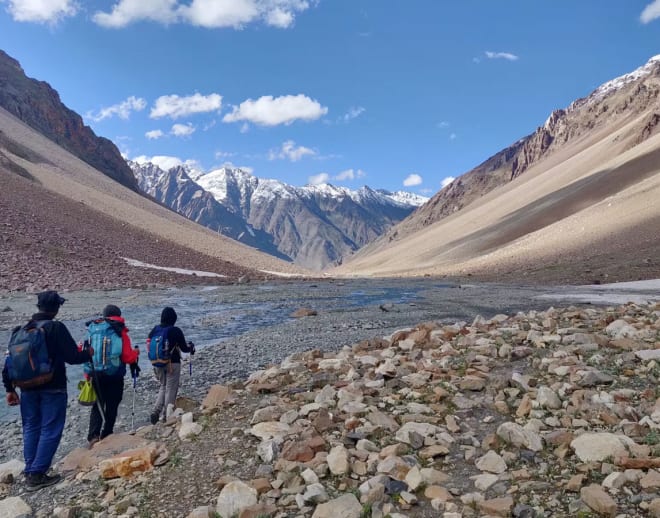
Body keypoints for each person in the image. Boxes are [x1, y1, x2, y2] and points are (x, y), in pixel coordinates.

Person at [2, 291, 92, 491]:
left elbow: (9, 363)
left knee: (31, 427)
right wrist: (88, 353)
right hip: (53, 387)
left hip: (26, 389)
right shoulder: (55, 328)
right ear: (56, 308)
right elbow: (73, 357)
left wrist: (9, 389)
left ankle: (30, 468)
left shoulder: (21, 329)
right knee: (51, 429)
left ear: (38, 306)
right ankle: (37, 474)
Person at [85, 304, 140, 448]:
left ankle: (93, 436)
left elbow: (85, 351)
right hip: (115, 374)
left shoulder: (93, 329)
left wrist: (87, 373)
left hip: (95, 373)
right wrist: (136, 353)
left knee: (97, 404)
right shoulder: (119, 330)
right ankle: (107, 433)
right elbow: (128, 357)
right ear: (119, 315)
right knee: (112, 404)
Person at [148, 307, 194, 424]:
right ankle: (166, 416)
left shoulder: (155, 330)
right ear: (174, 318)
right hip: (172, 363)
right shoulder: (175, 330)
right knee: (171, 388)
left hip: (157, 363)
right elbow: (184, 348)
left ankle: (155, 411)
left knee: (163, 386)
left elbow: (149, 344)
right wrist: (191, 347)